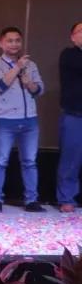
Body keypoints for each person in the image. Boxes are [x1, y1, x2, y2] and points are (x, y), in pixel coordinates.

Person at [0, 26, 45, 213]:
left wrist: (29, 82)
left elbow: (39, 90)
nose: (14, 44)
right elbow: (0, 85)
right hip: (5, 120)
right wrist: (17, 67)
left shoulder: (30, 65)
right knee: (0, 161)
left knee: (29, 161)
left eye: (17, 40)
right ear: (1, 43)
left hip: (29, 120)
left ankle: (31, 200)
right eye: (10, 41)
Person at [57, 21, 82, 213]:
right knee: (71, 160)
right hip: (75, 115)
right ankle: (67, 198)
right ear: (73, 37)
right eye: (81, 31)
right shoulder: (69, 55)